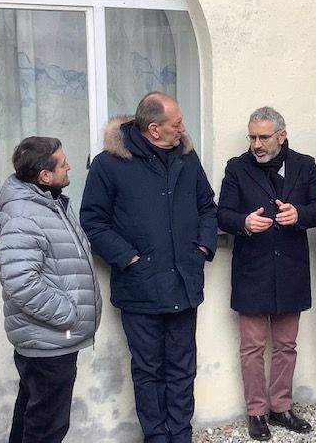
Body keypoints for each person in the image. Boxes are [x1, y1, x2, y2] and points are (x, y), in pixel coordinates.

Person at [80, 92, 217, 442]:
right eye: (176, 123)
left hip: (184, 283)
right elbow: (93, 222)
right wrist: (128, 258)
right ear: (154, 129)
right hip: (139, 287)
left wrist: (201, 247)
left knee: (183, 370)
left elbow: (207, 205)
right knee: (148, 371)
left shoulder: (186, 157)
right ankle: (156, 436)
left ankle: (181, 435)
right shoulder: (109, 164)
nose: (183, 129)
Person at [217, 106, 316, 441]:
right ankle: (256, 412)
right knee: (252, 348)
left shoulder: (304, 165)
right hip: (252, 270)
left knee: (286, 345)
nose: (256, 144)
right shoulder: (237, 167)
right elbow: (221, 213)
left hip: (291, 269)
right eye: (252, 137)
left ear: (282, 135)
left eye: (263, 137)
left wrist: (299, 215)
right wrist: (244, 222)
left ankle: (281, 407)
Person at [0, 136, 102, 443]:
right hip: (49, 340)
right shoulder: (24, 215)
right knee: (47, 428)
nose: (70, 167)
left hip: (51, 339)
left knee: (32, 419)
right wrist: (67, 315)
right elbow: (21, 282)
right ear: (45, 175)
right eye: (63, 163)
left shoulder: (50, 204)